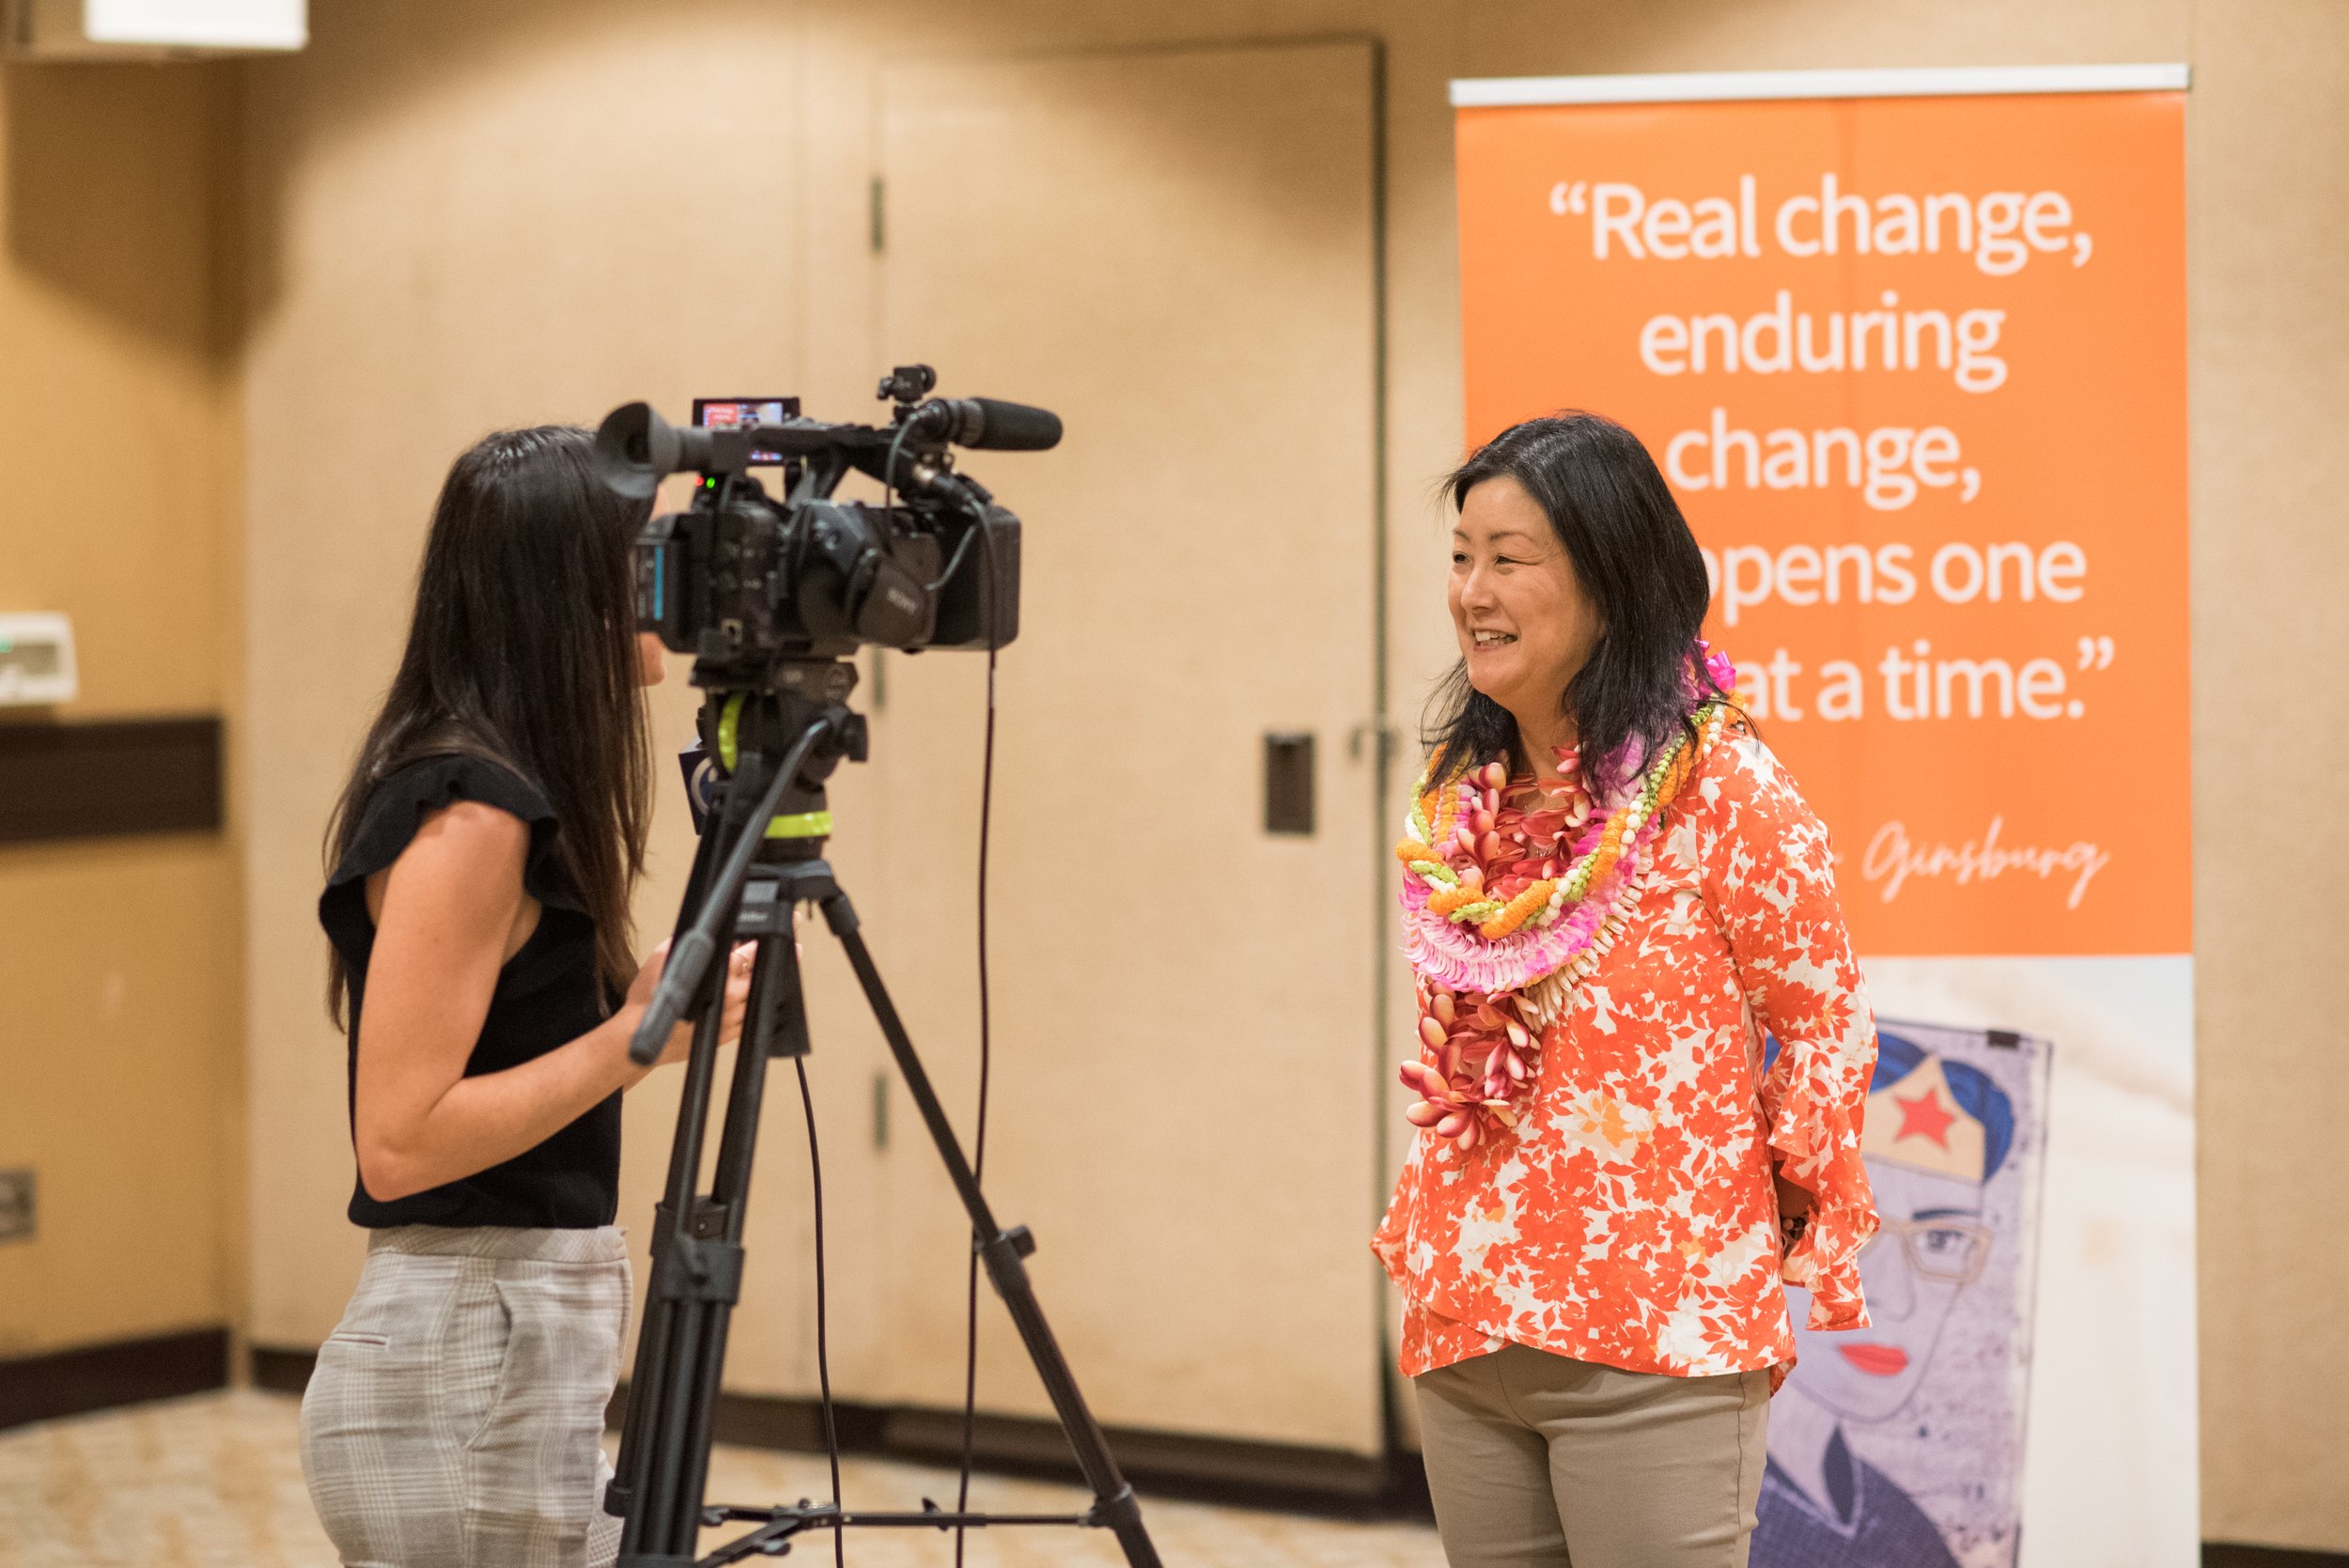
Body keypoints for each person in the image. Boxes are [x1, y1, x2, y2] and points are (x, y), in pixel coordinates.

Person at [1374, 411, 1880, 1568]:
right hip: (1467, 1315)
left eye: (1511, 557)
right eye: (1461, 555)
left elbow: (1823, 1018)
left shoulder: (1723, 785)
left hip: (1656, 1334)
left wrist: (1773, 1216)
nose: (1472, 591)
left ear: (1611, 576)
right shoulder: (1466, 790)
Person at [299, 426, 754, 1568]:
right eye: (647, 555)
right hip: (458, 1365)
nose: (673, 583)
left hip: (496, 1348)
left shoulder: (508, 790)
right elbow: (399, 1143)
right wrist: (634, 1041)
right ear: (575, 588)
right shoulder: (473, 814)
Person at [1753, 1030, 2015, 1568]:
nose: (1895, 1302)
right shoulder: (1688, 1500)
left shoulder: (1909, 1534)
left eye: (1943, 1238)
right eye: (1850, 1223)